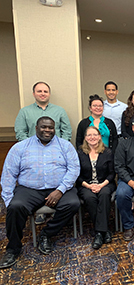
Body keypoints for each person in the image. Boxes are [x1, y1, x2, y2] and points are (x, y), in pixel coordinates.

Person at [0, 117, 80, 269]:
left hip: (59, 187)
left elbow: (74, 169)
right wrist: (9, 200)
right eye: (44, 127)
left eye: (50, 127)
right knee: (15, 207)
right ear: (36, 127)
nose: (47, 130)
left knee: (73, 203)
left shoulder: (65, 146)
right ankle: (13, 249)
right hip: (29, 189)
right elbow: (8, 174)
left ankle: (47, 234)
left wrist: (60, 190)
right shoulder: (20, 147)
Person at [14, 81, 73, 225]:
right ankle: (39, 210)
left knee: (70, 199)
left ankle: (55, 212)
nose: (42, 94)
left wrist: (61, 147)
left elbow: (67, 130)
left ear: (49, 94)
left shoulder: (59, 111)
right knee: (37, 183)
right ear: (34, 94)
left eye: (45, 91)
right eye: (39, 91)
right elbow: (20, 132)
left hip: (56, 154)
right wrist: (31, 147)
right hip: (33, 155)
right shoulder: (25, 112)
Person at [76, 126, 116, 250]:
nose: (92, 137)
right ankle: (105, 231)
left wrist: (101, 185)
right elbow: (76, 174)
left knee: (104, 195)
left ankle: (99, 233)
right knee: (90, 198)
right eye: (89, 135)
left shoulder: (107, 152)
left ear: (99, 137)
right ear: (85, 138)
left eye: (95, 135)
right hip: (85, 185)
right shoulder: (79, 153)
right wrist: (88, 185)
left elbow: (112, 173)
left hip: (105, 183)